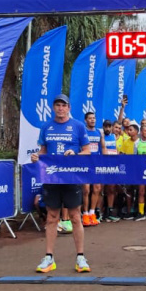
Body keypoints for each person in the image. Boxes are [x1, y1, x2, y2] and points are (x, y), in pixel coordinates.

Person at [30, 94, 92, 273]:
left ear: (69, 108)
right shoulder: (46, 127)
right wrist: (36, 157)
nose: (60, 108)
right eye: (57, 105)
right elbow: (42, 151)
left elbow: (87, 151)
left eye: (63, 105)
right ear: (53, 108)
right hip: (51, 178)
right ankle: (49, 257)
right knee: (52, 217)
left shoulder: (78, 126)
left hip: (72, 177)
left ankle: (80, 257)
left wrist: (75, 154)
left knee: (75, 217)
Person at [82, 112, 105, 227]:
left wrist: (107, 161)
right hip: (85, 164)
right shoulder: (83, 131)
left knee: (97, 188)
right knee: (86, 189)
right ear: (86, 120)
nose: (92, 120)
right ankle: (85, 214)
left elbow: (103, 147)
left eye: (94, 118)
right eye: (90, 118)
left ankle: (92, 213)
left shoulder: (99, 132)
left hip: (96, 164)